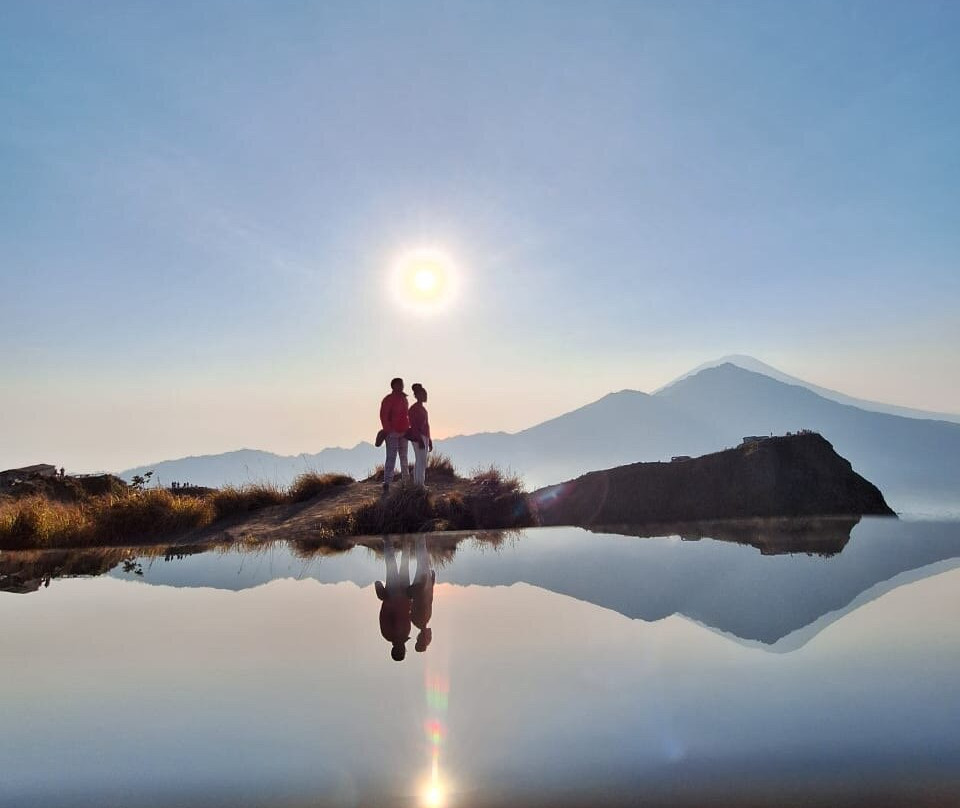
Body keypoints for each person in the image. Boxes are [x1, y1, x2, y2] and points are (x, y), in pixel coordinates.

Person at [375, 537, 411, 661]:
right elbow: (407, 614)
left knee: (392, 565)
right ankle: (406, 537)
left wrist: (388, 598)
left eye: (401, 651)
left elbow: (384, 615)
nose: (403, 649)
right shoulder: (402, 635)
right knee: (402, 564)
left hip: (394, 593)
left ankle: (387, 538)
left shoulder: (390, 634)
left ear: (397, 650)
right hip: (404, 594)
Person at [380, 377, 410, 493]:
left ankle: (406, 482)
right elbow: (383, 415)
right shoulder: (388, 399)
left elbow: (407, 415)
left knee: (403, 457)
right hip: (392, 433)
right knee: (391, 457)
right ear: (393, 386)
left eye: (402, 384)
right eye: (400, 384)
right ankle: (387, 483)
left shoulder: (404, 399)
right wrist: (388, 430)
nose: (402, 386)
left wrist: (408, 428)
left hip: (403, 432)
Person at [407, 534, 435, 653]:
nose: (430, 635)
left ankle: (419, 535)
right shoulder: (418, 621)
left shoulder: (422, 620)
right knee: (422, 559)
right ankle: (419, 536)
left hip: (422, 583)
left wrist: (428, 582)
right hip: (423, 583)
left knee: (422, 558)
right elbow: (427, 599)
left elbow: (425, 599)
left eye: (428, 637)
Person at [408, 383, 433, 487]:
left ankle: (419, 483)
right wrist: (419, 439)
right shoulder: (414, 409)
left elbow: (426, 425)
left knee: (421, 460)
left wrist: (429, 440)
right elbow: (414, 426)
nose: (426, 396)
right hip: (419, 437)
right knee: (421, 460)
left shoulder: (422, 409)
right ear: (417, 395)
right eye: (423, 394)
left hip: (424, 436)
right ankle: (418, 485)